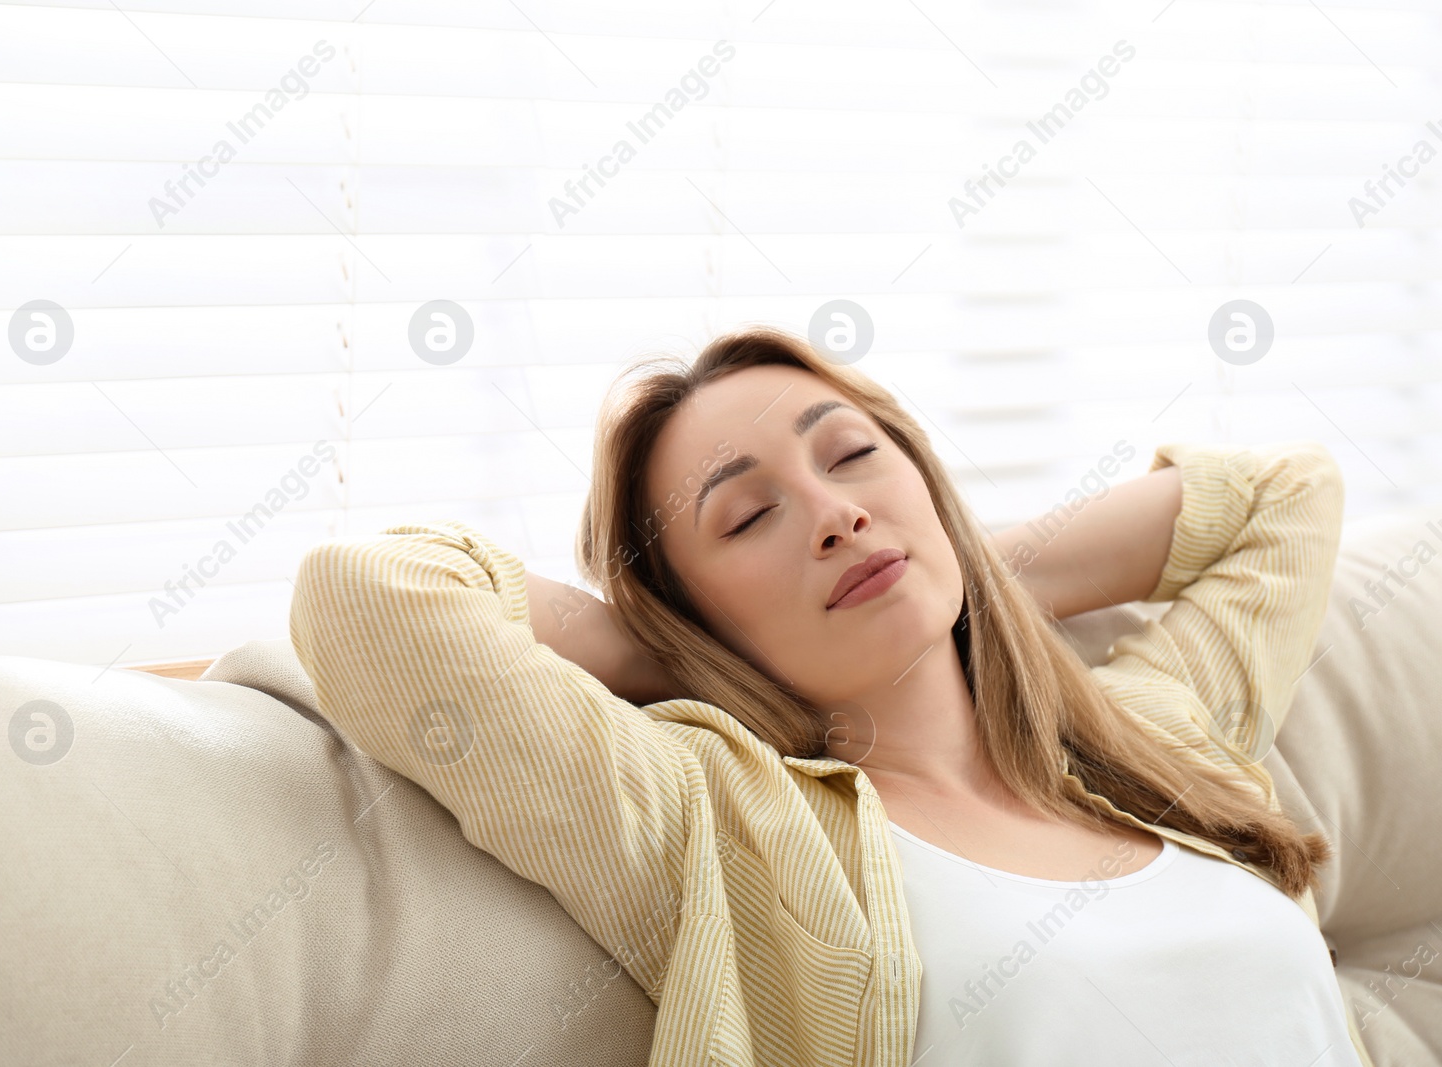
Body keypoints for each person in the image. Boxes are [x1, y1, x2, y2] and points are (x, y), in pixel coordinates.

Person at [288, 325, 1372, 1065]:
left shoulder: (1150, 739)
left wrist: (958, 569)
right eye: (746, 517)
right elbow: (371, 594)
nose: (831, 513)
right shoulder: (719, 824)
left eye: (851, 456)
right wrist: (691, 653)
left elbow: (1284, 496)